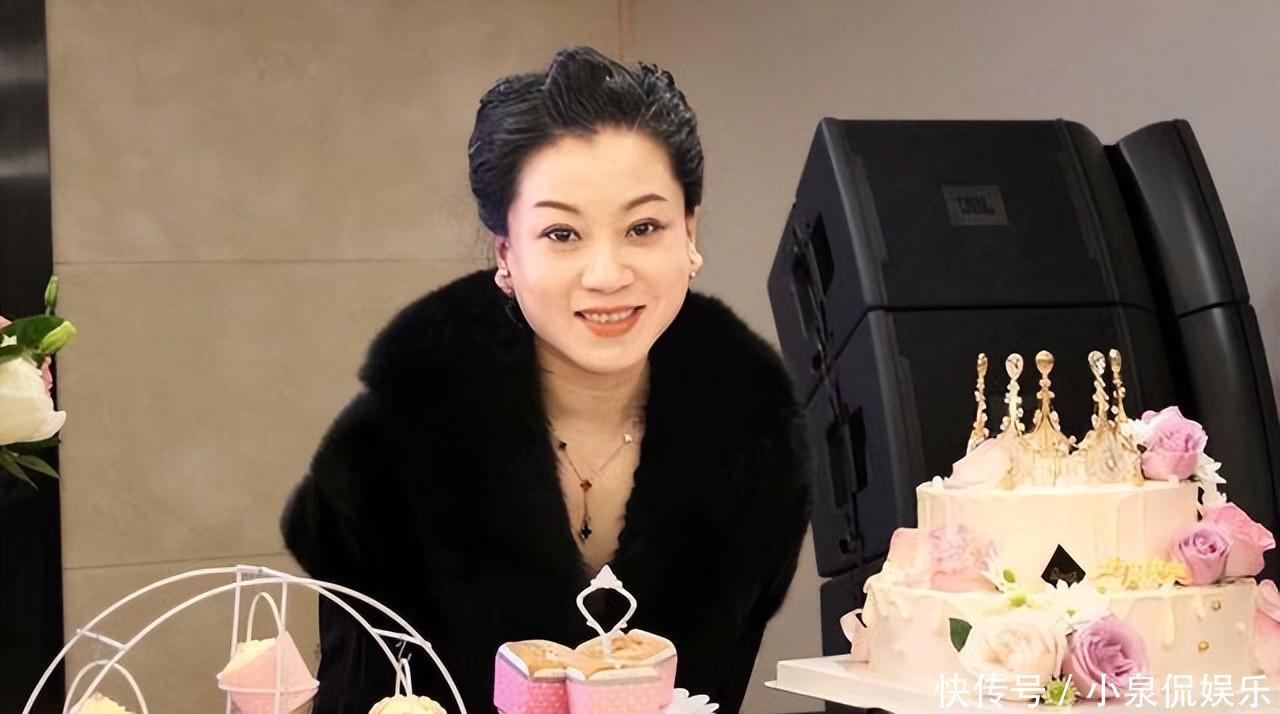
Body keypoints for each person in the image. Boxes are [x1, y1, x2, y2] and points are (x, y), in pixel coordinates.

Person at [281, 46, 810, 714]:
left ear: (688, 234)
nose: (607, 274)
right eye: (562, 234)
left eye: (643, 227)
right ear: (506, 253)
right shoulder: (385, 456)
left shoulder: (754, 453)